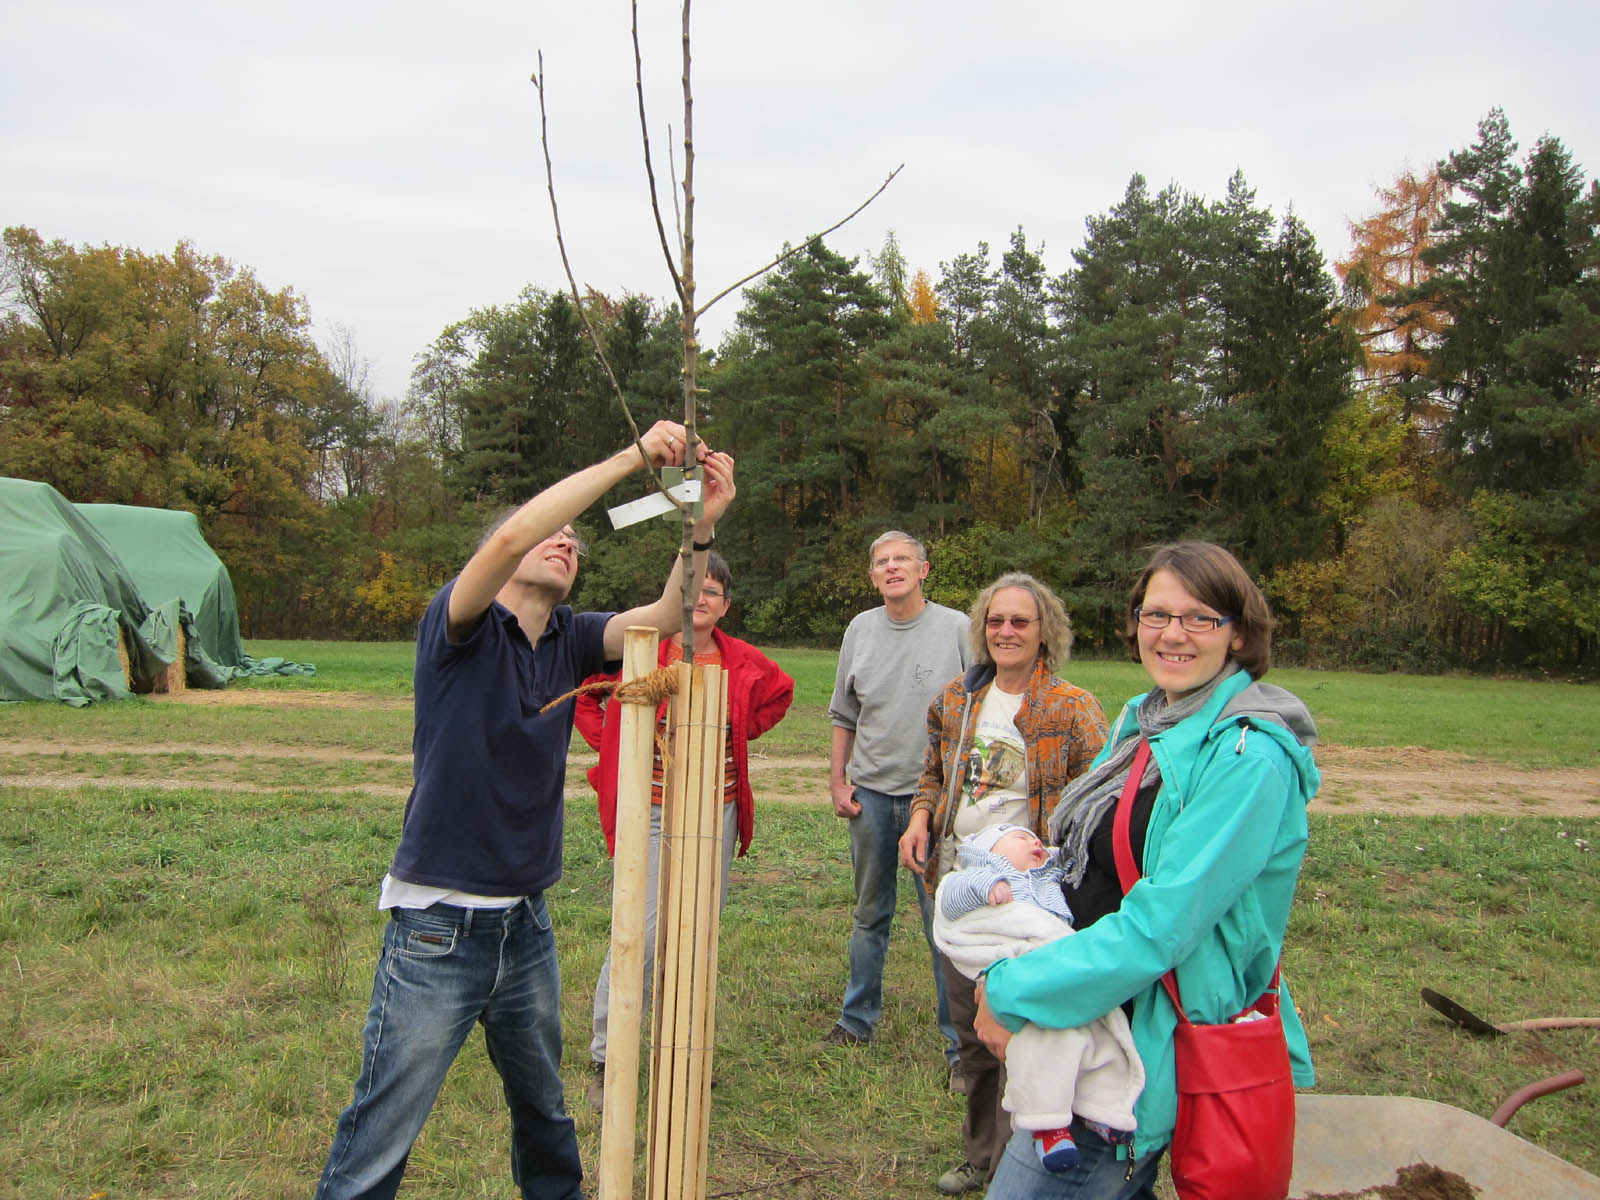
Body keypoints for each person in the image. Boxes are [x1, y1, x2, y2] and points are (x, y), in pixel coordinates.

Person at [313, 422, 736, 1200]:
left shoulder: (570, 642)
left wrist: (700, 525)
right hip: (438, 927)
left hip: (525, 925)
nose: (566, 544)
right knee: (383, 1128)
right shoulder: (459, 628)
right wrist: (630, 460)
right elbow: (514, 534)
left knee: (545, 1111)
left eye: (577, 543)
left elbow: (671, 614)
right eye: (557, 535)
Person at [974, 541, 1320, 1199]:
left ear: (1239, 632)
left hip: (1138, 1047)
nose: (1172, 634)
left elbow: (1161, 927)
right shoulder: (1149, 719)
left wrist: (1012, 985)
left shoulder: (1249, 756)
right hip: (1091, 1014)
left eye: (1200, 618)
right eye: (1155, 615)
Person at [899, 573, 1109, 1196]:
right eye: (996, 621)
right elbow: (934, 773)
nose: (1006, 632)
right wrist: (918, 819)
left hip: (1028, 899)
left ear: (1045, 631)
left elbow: (1099, 800)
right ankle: (982, 1153)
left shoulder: (1071, 707)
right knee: (971, 1031)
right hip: (960, 885)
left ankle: (1034, 1155)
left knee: (1020, 1026)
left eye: (1020, 621)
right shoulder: (957, 701)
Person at [574, 550, 795, 1110]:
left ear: (725, 606)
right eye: (692, 589)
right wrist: (617, 746)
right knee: (640, 931)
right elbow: (585, 693)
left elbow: (780, 694)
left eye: (713, 593)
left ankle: (683, 1051)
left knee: (695, 932)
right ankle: (609, 1055)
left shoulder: (740, 660)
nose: (701, 600)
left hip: (713, 810)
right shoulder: (641, 649)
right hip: (648, 808)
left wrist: (738, 733)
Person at [823, 531, 970, 1071]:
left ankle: (959, 1045)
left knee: (944, 921)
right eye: (881, 561)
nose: (891, 568)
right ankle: (855, 1020)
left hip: (934, 802)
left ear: (924, 569)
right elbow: (844, 715)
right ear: (872, 576)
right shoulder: (860, 629)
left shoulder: (957, 629)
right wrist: (839, 783)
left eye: (901, 559)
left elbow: (979, 709)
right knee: (869, 914)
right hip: (871, 797)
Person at [933, 824, 1142, 1176]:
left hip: (1043, 974)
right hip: (998, 968)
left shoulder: (1049, 875)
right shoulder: (982, 873)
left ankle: (1097, 1112)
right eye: (1020, 838)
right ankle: (1020, 1138)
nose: (1034, 841)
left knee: (1081, 1044)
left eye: (1036, 838)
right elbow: (950, 896)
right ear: (988, 852)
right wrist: (986, 886)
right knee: (1009, 1055)